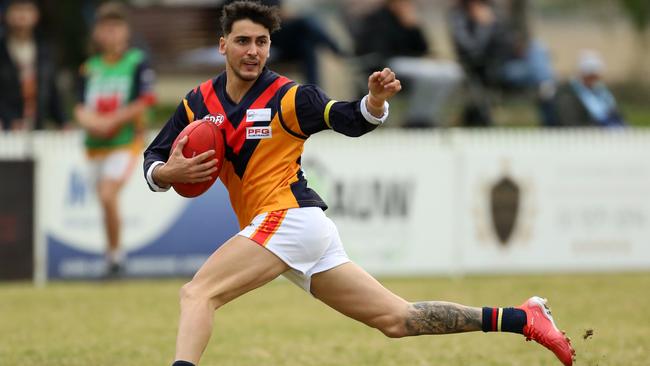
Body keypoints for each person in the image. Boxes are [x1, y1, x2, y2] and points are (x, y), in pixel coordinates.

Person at [143, 2, 575, 366]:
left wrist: (374, 102)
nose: (253, 51)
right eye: (242, 41)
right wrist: (167, 174)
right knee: (399, 320)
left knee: (197, 293)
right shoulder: (197, 102)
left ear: (270, 46)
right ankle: (524, 317)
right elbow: (155, 157)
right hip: (293, 231)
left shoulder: (290, 97)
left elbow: (348, 118)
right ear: (223, 46)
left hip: (289, 219)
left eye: (261, 42)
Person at [75, 1, 156, 277]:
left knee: (108, 195)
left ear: (125, 32)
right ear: (97, 33)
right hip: (94, 147)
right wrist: (91, 122)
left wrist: (112, 121)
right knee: (104, 199)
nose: (110, 34)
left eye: (115, 27)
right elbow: (78, 107)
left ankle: (115, 258)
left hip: (124, 143)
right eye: (105, 28)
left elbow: (145, 100)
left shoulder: (136, 62)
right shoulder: (90, 67)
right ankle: (113, 255)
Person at [353, 0, 463, 127]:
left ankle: (425, 116)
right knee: (428, 74)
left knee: (452, 72)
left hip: (413, 63)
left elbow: (423, 48)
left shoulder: (408, 20)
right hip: (387, 66)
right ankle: (417, 120)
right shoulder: (377, 19)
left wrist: (413, 27)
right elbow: (376, 50)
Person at [448, 0, 557, 126]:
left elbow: (505, 37)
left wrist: (517, 47)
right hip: (490, 69)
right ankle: (547, 88)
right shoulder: (459, 16)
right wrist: (483, 26)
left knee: (536, 47)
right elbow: (472, 52)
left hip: (510, 61)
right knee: (543, 82)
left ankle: (546, 86)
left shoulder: (492, 8)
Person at [0, 0, 67, 131]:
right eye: (17, 9)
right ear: (6, 14)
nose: (22, 15)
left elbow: (51, 92)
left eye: (27, 9)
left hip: (36, 127)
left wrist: (63, 122)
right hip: (6, 131)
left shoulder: (45, 50)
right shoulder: (1, 50)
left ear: (36, 15)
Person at [555, 50, 625, 127]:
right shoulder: (567, 95)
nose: (594, 80)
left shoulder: (602, 92)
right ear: (582, 75)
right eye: (590, 76)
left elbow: (616, 113)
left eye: (596, 77)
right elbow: (572, 123)